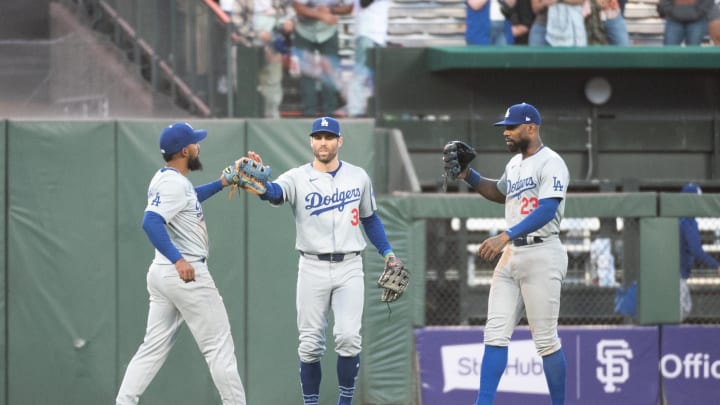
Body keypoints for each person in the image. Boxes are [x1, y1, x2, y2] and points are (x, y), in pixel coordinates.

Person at [246, 116, 404, 405]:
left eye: (328, 137)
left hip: (349, 266)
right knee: (309, 346)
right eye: (318, 137)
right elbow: (275, 194)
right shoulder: (296, 177)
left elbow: (370, 219)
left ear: (339, 141)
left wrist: (388, 252)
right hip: (312, 266)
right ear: (311, 141)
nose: (323, 142)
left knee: (347, 338)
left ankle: (344, 402)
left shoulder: (358, 177)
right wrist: (262, 184)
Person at [445, 103, 570, 405]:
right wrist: (469, 175)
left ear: (531, 128)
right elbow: (501, 192)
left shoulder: (551, 162)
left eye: (511, 127)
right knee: (495, 334)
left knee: (545, 341)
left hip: (542, 251)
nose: (506, 132)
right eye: (505, 126)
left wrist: (505, 235)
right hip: (512, 254)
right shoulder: (514, 164)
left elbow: (547, 209)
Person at [116, 122, 246, 405]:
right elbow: (150, 222)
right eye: (195, 143)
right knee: (218, 347)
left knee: (152, 348)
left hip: (161, 274)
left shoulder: (166, 179)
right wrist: (179, 259)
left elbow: (190, 199)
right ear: (185, 150)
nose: (199, 146)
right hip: (186, 273)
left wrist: (223, 183)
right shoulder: (174, 183)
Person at [232, 0, 295, 118]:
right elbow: (236, 22)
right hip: (247, 47)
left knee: (272, 84)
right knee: (245, 86)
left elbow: (290, 11)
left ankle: (271, 118)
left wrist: (289, 22)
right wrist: (257, 34)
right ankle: (246, 118)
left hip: (273, 46)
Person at [292, 0, 353, 117]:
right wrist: (321, 15)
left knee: (330, 72)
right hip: (304, 31)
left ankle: (329, 113)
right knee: (307, 74)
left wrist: (331, 10)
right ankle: (308, 114)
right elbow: (298, 7)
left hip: (328, 31)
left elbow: (349, 7)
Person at [679, 182, 720, 322]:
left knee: (684, 308)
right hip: (676, 275)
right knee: (680, 311)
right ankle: (669, 342)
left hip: (673, 273)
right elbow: (696, 250)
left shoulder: (678, 217)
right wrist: (716, 265)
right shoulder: (687, 220)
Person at [346, 0, 390, 117]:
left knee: (379, 77)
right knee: (360, 73)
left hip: (380, 35)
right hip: (366, 33)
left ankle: (380, 110)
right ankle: (355, 111)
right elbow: (363, 3)